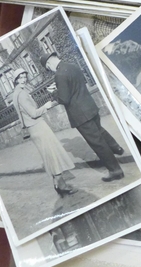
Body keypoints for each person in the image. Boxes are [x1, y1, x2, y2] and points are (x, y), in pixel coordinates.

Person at [40, 52, 125, 182]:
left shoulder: (59, 74)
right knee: (100, 131)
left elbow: (64, 98)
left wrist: (54, 92)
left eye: (48, 68)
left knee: (97, 143)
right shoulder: (72, 65)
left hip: (80, 115)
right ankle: (116, 147)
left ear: (49, 63)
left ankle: (115, 170)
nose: (49, 70)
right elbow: (76, 86)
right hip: (90, 107)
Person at [11, 68, 77, 197]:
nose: (24, 79)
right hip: (38, 127)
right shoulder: (22, 94)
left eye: (25, 77)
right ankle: (61, 185)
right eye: (21, 78)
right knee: (53, 154)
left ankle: (58, 183)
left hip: (33, 128)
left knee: (49, 155)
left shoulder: (16, 94)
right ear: (16, 80)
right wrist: (46, 106)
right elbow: (33, 113)